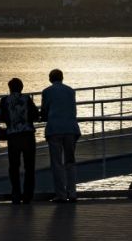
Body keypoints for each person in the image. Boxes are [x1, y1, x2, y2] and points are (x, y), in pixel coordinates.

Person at [0, 78, 39, 204]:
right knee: (29, 167)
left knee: (14, 167)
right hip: (27, 135)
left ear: (9, 88)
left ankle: (16, 194)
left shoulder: (5, 100)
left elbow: (0, 116)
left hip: (13, 137)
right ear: (22, 87)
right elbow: (35, 114)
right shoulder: (27, 99)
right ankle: (27, 195)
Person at [41, 69, 80, 203]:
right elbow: (74, 110)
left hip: (54, 129)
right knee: (70, 162)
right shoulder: (71, 91)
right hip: (71, 128)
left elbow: (44, 112)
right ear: (62, 78)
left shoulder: (47, 92)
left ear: (50, 79)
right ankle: (73, 193)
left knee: (57, 163)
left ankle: (61, 194)